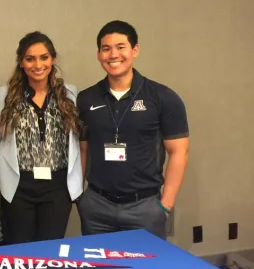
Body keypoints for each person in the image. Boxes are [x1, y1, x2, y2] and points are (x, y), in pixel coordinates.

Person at [76, 20, 189, 239]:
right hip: (97, 208)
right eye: (106, 48)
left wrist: (165, 204)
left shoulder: (163, 97)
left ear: (134, 50)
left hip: (144, 208)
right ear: (98, 54)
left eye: (120, 47)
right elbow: (83, 150)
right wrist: (81, 197)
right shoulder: (86, 98)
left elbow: (179, 152)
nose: (113, 54)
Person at [0, 31, 82, 244]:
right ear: (21, 62)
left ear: (53, 59)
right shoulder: (5, 96)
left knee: (50, 249)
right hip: (18, 186)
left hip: (57, 187)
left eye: (44, 57)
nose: (38, 64)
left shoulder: (69, 94)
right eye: (30, 58)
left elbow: (80, 143)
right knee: (19, 249)